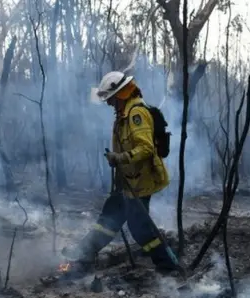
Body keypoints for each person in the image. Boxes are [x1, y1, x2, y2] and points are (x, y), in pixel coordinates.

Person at [61, 71, 181, 276]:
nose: (109, 104)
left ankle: (168, 266)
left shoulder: (136, 114)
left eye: (111, 99)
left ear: (120, 94)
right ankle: (84, 253)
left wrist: (120, 158)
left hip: (139, 182)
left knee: (140, 229)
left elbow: (146, 148)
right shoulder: (125, 113)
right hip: (127, 180)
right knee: (109, 218)